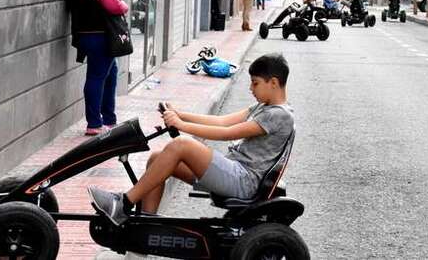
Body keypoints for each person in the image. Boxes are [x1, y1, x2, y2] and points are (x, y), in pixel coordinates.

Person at [87, 53, 295, 224]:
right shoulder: (263, 107)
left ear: (273, 83)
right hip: (234, 173)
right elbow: (222, 122)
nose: (251, 89)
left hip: (243, 181)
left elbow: (227, 133)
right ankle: (145, 228)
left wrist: (181, 125)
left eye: (255, 83)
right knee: (157, 158)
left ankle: (123, 204)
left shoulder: (279, 115)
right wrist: (180, 115)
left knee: (181, 144)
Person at [66, 0, 129, 136]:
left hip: (85, 32)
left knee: (110, 72)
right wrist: (124, 6)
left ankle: (108, 119)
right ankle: (94, 123)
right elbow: (112, 5)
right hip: (100, 34)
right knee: (97, 76)